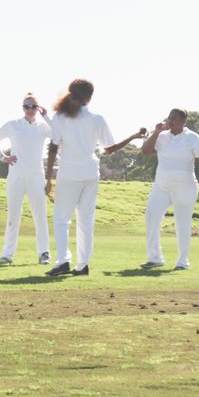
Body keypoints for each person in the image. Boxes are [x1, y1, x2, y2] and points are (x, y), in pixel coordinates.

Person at [44, 79, 146, 277]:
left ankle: (63, 261)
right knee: (85, 222)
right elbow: (110, 149)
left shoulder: (59, 117)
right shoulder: (97, 119)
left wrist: (48, 177)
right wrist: (133, 136)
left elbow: (53, 147)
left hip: (69, 173)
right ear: (89, 99)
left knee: (62, 220)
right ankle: (82, 265)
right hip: (91, 173)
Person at [140, 108, 199, 271]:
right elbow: (146, 151)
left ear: (183, 121)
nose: (171, 121)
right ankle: (154, 258)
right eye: (169, 118)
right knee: (151, 217)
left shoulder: (193, 138)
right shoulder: (161, 136)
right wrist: (156, 132)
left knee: (182, 222)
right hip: (161, 186)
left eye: (175, 119)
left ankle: (182, 261)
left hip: (185, 186)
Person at [0, 93, 52, 265]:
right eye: (27, 106)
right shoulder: (13, 125)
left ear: (37, 108)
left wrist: (46, 115)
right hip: (16, 177)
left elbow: (58, 135)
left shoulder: (43, 127)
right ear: (22, 108)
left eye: (33, 106)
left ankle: (44, 253)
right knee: (13, 217)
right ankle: (7, 255)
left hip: (36, 177)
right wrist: (2, 157)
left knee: (40, 216)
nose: (30, 110)